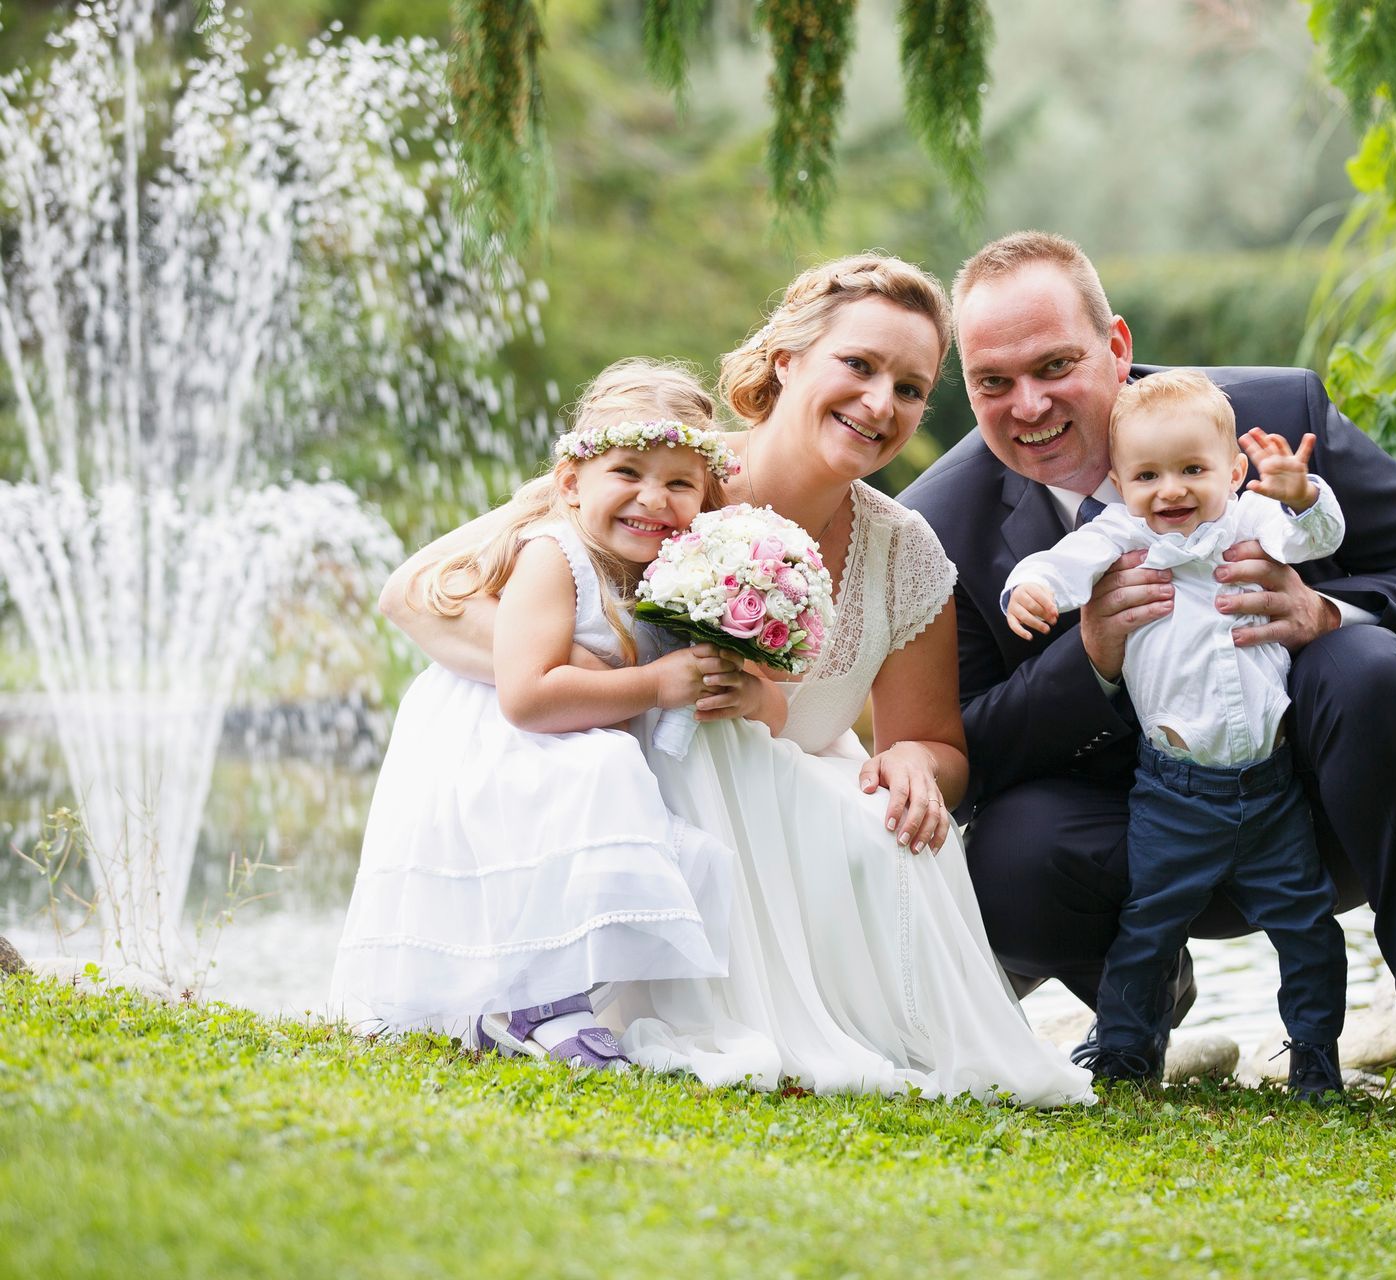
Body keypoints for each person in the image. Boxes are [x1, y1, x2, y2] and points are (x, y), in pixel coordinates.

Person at [380, 256, 1092, 1108]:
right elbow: (416, 593)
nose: (880, 403)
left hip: (785, 804)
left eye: (909, 387)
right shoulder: (661, 477)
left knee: (890, 835)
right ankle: (569, 994)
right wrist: (627, 674)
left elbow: (932, 745)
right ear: (788, 360)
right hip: (636, 803)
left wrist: (915, 768)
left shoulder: (907, 552)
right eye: (858, 366)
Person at [899, 231, 1396, 1126]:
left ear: (1116, 346)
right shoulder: (942, 524)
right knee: (1008, 852)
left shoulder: (1272, 418)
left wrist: (1324, 614)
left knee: (1370, 666)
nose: (1027, 405)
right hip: (1137, 837)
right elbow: (965, 745)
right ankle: (1140, 996)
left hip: (1319, 809)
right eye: (994, 382)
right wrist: (1093, 659)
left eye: (1055, 365)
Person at [332, 360, 769, 1069]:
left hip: (565, 731)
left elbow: (764, 695)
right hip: (505, 740)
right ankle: (537, 1004)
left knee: (626, 815)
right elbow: (527, 695)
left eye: (679, 483)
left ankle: (531, 1003)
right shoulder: (554, 555)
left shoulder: (675, 573)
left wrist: (746, 691)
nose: (652, 498)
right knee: (599, 778)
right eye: (627, 472)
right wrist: (657, 684)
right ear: (571, 483)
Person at [1000, 370, 1349, 1097]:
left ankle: (1315, 1054)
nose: (1171, 491)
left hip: (1270, 786)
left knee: (1308, 926)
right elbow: (1061, 567)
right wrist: (1030, 589)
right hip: (1174, 791)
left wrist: (1302, 494)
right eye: (1148, 475)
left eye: (1193, 470)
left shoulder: (1253, 523)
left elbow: (1317, 537)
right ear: (1121, 484)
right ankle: (1129, 1053)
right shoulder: (1122, 535)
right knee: (1148, 928)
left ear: (1234, 470)